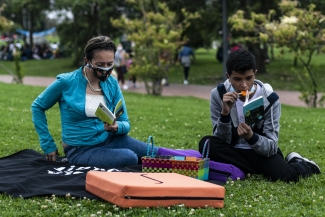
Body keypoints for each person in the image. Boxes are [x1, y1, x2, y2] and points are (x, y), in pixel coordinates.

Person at [31, 36, 157, 168]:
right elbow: (37, 107)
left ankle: (180, 163)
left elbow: (126, 124)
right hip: (80, 149)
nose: (106, 69)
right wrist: (47, 144)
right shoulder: (66, 82)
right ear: (87, 61)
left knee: (158, 153)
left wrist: (116, 127)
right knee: (129, 157)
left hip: (111, 139)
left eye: (110, 64)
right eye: (100, 65)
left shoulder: (112, 83)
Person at [199, 49, 320, 182]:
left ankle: (301, 163)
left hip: (258, 151)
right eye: (237, 79)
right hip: (232, 149)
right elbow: (221, 140)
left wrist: (251, 137)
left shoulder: (269, 98)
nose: (244, 85)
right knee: (206, 143)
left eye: (249, 78)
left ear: (255, 74)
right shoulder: (218, 94)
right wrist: (225, 114)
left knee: (287, 176)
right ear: (228, 76)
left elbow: (272, 146)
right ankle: (253, 168)